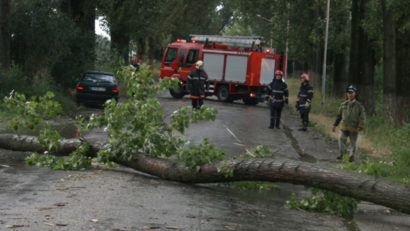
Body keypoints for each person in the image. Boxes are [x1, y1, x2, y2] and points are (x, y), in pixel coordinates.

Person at [332, 85, 366, 162]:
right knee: (341, 139)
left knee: (353, 143)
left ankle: (352, 156)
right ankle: (342, 154)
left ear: (355, 94)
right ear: (347, 94)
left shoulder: (359, 106)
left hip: (354, 127)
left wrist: (361, 125)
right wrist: (334, 125)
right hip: (343, 127)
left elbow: (362, 117)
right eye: (348, 93)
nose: (350, 94)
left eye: (352, 93)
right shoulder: (343, 104)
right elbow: (339, 116)